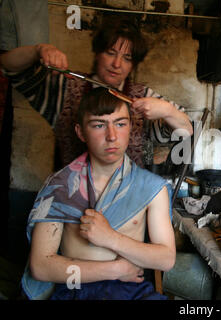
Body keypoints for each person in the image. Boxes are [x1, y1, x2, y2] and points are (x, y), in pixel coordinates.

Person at [22, 87, 176, 300]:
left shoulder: (151, 187)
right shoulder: (59, 187)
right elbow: (41, 267)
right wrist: (116, 270)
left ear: (130, 127)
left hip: (132, 292)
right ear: (80, 132)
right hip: (76, 289)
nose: (112, 136)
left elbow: (166, 259)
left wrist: (110, 238)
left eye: (120, 124)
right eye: (98, 125)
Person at [0, 17, 193, 168]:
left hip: (128, 203)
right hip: (73, 200)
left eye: (126, 58)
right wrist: (38, 50)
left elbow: (187, 131)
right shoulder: (65, 87)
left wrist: (168, 110)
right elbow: (8, 67)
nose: (117, 64)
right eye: (110, 53)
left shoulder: (142, 96)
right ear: (97, 53)